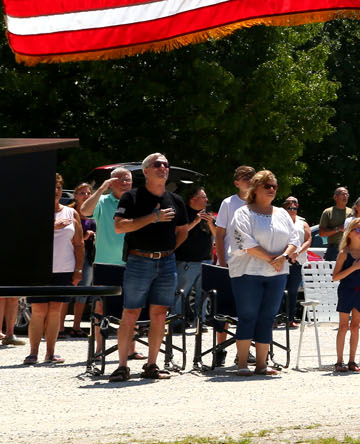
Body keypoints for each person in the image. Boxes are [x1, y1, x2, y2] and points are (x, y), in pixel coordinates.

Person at [109, 153, 185, 382]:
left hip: (166, 262)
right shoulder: (132, 197)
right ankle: (122, 366)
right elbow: (119, 227)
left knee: (160, 314)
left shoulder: (176, 200)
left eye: (165, 165)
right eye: (157, 164)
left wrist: (170, 250)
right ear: (146, 171)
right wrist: (153, 217)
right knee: (130, 312)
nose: (163, 168)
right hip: (138, 261)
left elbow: (182, 231)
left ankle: (152, 364)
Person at [227, 169, 297, 376]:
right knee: (248, 316)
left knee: (268, 317)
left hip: (277, 273)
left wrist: (283, 258)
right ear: (255, 189)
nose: (272, 190)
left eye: (274, 186)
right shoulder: (243, 213)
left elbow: (294, 239)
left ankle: (261, 365)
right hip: (248, 272)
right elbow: (244, 242)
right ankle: (242, 363)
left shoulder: (283, 214)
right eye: (267, 186)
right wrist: (271, 259)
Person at [26, 173, 82, 365]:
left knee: (55, 310)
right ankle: (33, 353)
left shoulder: (71, 213)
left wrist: (79, 270)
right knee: (39, 311)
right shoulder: (33, 212)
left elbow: (79, 244)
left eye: (58, 187)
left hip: (64, 268)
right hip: (38, 270)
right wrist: (53, 226)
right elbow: (26, 237)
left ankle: (51, 352)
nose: (55, 191)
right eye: (51, 188)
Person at [173, 186, 215, 331]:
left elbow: (215, 236)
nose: (207, 200)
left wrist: (210, 223)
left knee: (203, 293)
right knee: (181, 292)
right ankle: (177, 322)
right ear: (193, 199)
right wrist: (195, 221)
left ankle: (200, 321)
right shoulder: (183, 213)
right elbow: (178, 233)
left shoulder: (207, 215)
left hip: (205, 260)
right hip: (186, 260)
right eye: (204, 197)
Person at [333, 218, 360, 372]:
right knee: (343, 326)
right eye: (358, 230)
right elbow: (335, 276)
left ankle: (352, 361)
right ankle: (339, 361)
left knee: (355, 327)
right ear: (349, 233)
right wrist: (353, 268)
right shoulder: (344, 253)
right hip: (346, 292)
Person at [81, 166, 132, 267]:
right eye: (120, 180)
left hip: (133, 263)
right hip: (105, 262)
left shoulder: (137, 202)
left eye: (128, 180)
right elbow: (84, 211)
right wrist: (101, 189)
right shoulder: (102, 201)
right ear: (110, 184)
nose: (124, 183)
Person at [67, 181, 96, 338]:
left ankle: (76, 326)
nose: (86, 196)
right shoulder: (70, 212)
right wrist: (83, 238)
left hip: (89, 256)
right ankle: (59, 328)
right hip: (70, 256)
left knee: (83, 291)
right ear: (75, 196)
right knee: (67, 291)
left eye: (88, 193)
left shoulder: (94, 212)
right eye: (82, 193)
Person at [212, 166, 255, 267]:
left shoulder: (260, 204)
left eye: (252, 178)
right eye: (245, 179)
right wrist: (222, 262)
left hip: (253, 264)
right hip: (230, 261)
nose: (249, 181)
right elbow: (219, 235)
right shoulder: (228, 203)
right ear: (237, 184)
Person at [281, 194, 311, 324]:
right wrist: (287, 254)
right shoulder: (279, 221)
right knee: (279, 290)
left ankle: (290, 318)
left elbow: (308, 240)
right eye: (289, 206)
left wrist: (296, 253)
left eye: (294, 207)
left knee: (293, 291)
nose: (291, 209)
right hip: (283, 259)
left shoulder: (302, 223)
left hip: (297, 260)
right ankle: (276, 317)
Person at [319, 187, 350, 263]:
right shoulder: (328, 212)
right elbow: (322, 233)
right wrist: (338, 229)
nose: (345, 196)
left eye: (347, 194)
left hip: (349, 248)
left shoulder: (352, 212)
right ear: (335, 197)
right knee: (332, 274)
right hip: (334, 249)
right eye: (343, 194)